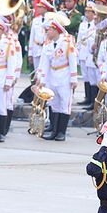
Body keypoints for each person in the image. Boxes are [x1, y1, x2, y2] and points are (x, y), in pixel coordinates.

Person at [35, 12, 76, 141]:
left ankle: (61, 132)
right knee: (53, 103)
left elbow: (72, 61)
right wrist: (41, 79)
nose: (48, 31)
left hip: (64, 76)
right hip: (52, 77)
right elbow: (44, 63)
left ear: (57, 31)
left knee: (64, 104)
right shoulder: (47, 44)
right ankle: (54, 130)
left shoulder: (67, 43)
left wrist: (73, 79)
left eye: (51, 29)